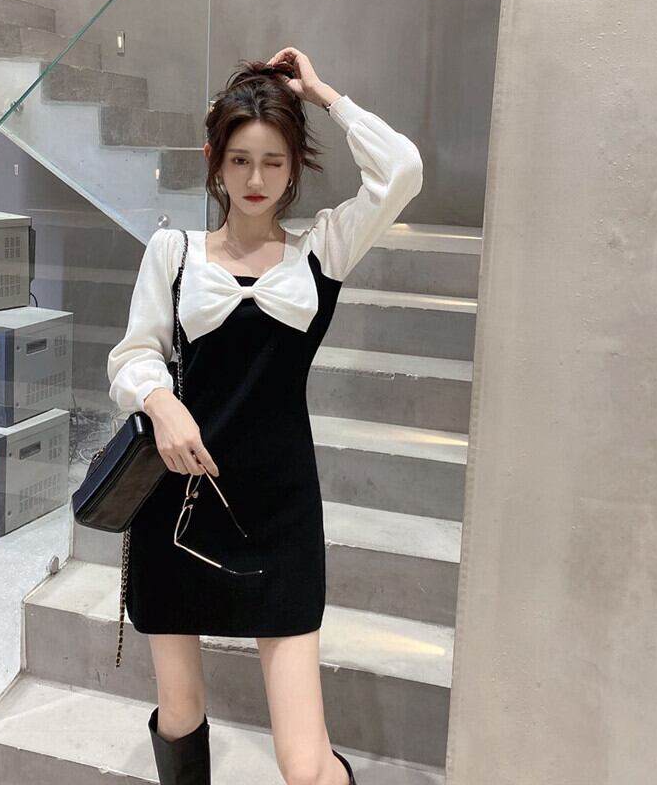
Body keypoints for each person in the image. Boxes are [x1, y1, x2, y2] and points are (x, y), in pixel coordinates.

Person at [106, 46, 423, 785]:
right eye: (241, 160)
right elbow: (133, 355)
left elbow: (402, 169)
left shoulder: (322, 252)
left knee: (305, 765)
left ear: (294, 167)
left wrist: (323, 95)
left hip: (280, 514)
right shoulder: (173, 253)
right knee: (180, 712)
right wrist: (161, 403)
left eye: (274, 162)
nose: (256, 180)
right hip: (177, 508)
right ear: (215, 162)